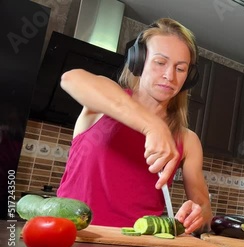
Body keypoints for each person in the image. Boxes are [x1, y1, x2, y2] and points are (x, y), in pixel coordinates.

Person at [56, 18, 212, 234]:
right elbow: (70, 79)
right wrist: (153, 126)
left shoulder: (188, 140)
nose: (169, 76)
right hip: (71, 238)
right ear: (138, 62)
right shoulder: (104, 103)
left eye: (181, 68)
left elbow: (204, 209)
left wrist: (198, 213)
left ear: (189, 77)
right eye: (160, 62)